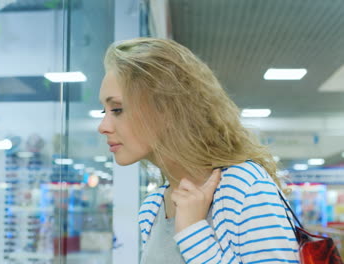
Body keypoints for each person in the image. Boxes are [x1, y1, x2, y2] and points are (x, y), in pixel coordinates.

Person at [98, 38, 299, 263]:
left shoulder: (243, 187)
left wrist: (193, 233)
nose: (103, 127)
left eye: (117, 109)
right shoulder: (152, 208)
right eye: (103, 111)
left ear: (165, 109)